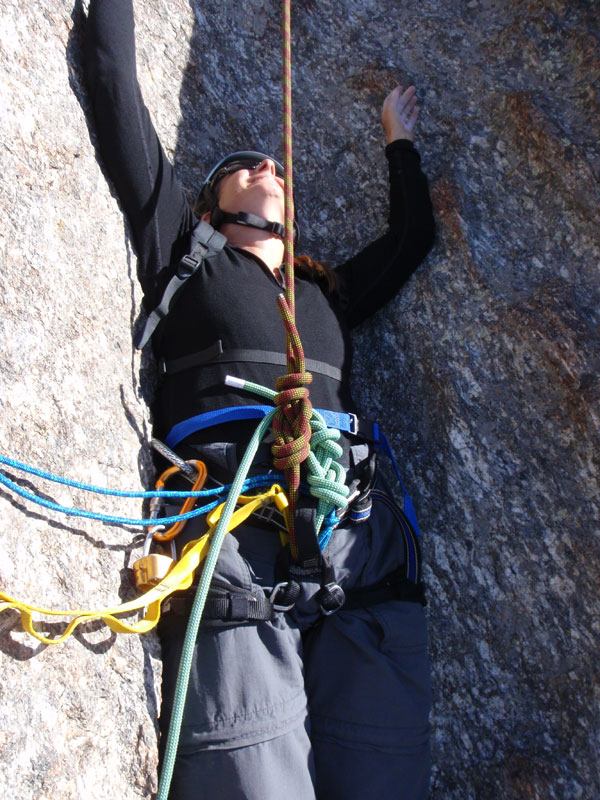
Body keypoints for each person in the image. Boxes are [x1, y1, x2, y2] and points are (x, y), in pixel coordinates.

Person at [85, 1, 436, 798]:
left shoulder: (326, 290)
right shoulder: (186, 251)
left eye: (276, 166)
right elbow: (114, 88)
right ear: (210, 203)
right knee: (247, 767)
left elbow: (412, 239)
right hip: (231, 507)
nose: (268, 168)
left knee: (383, 765)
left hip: (349, 511)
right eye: (245, 165)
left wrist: (398, 137)